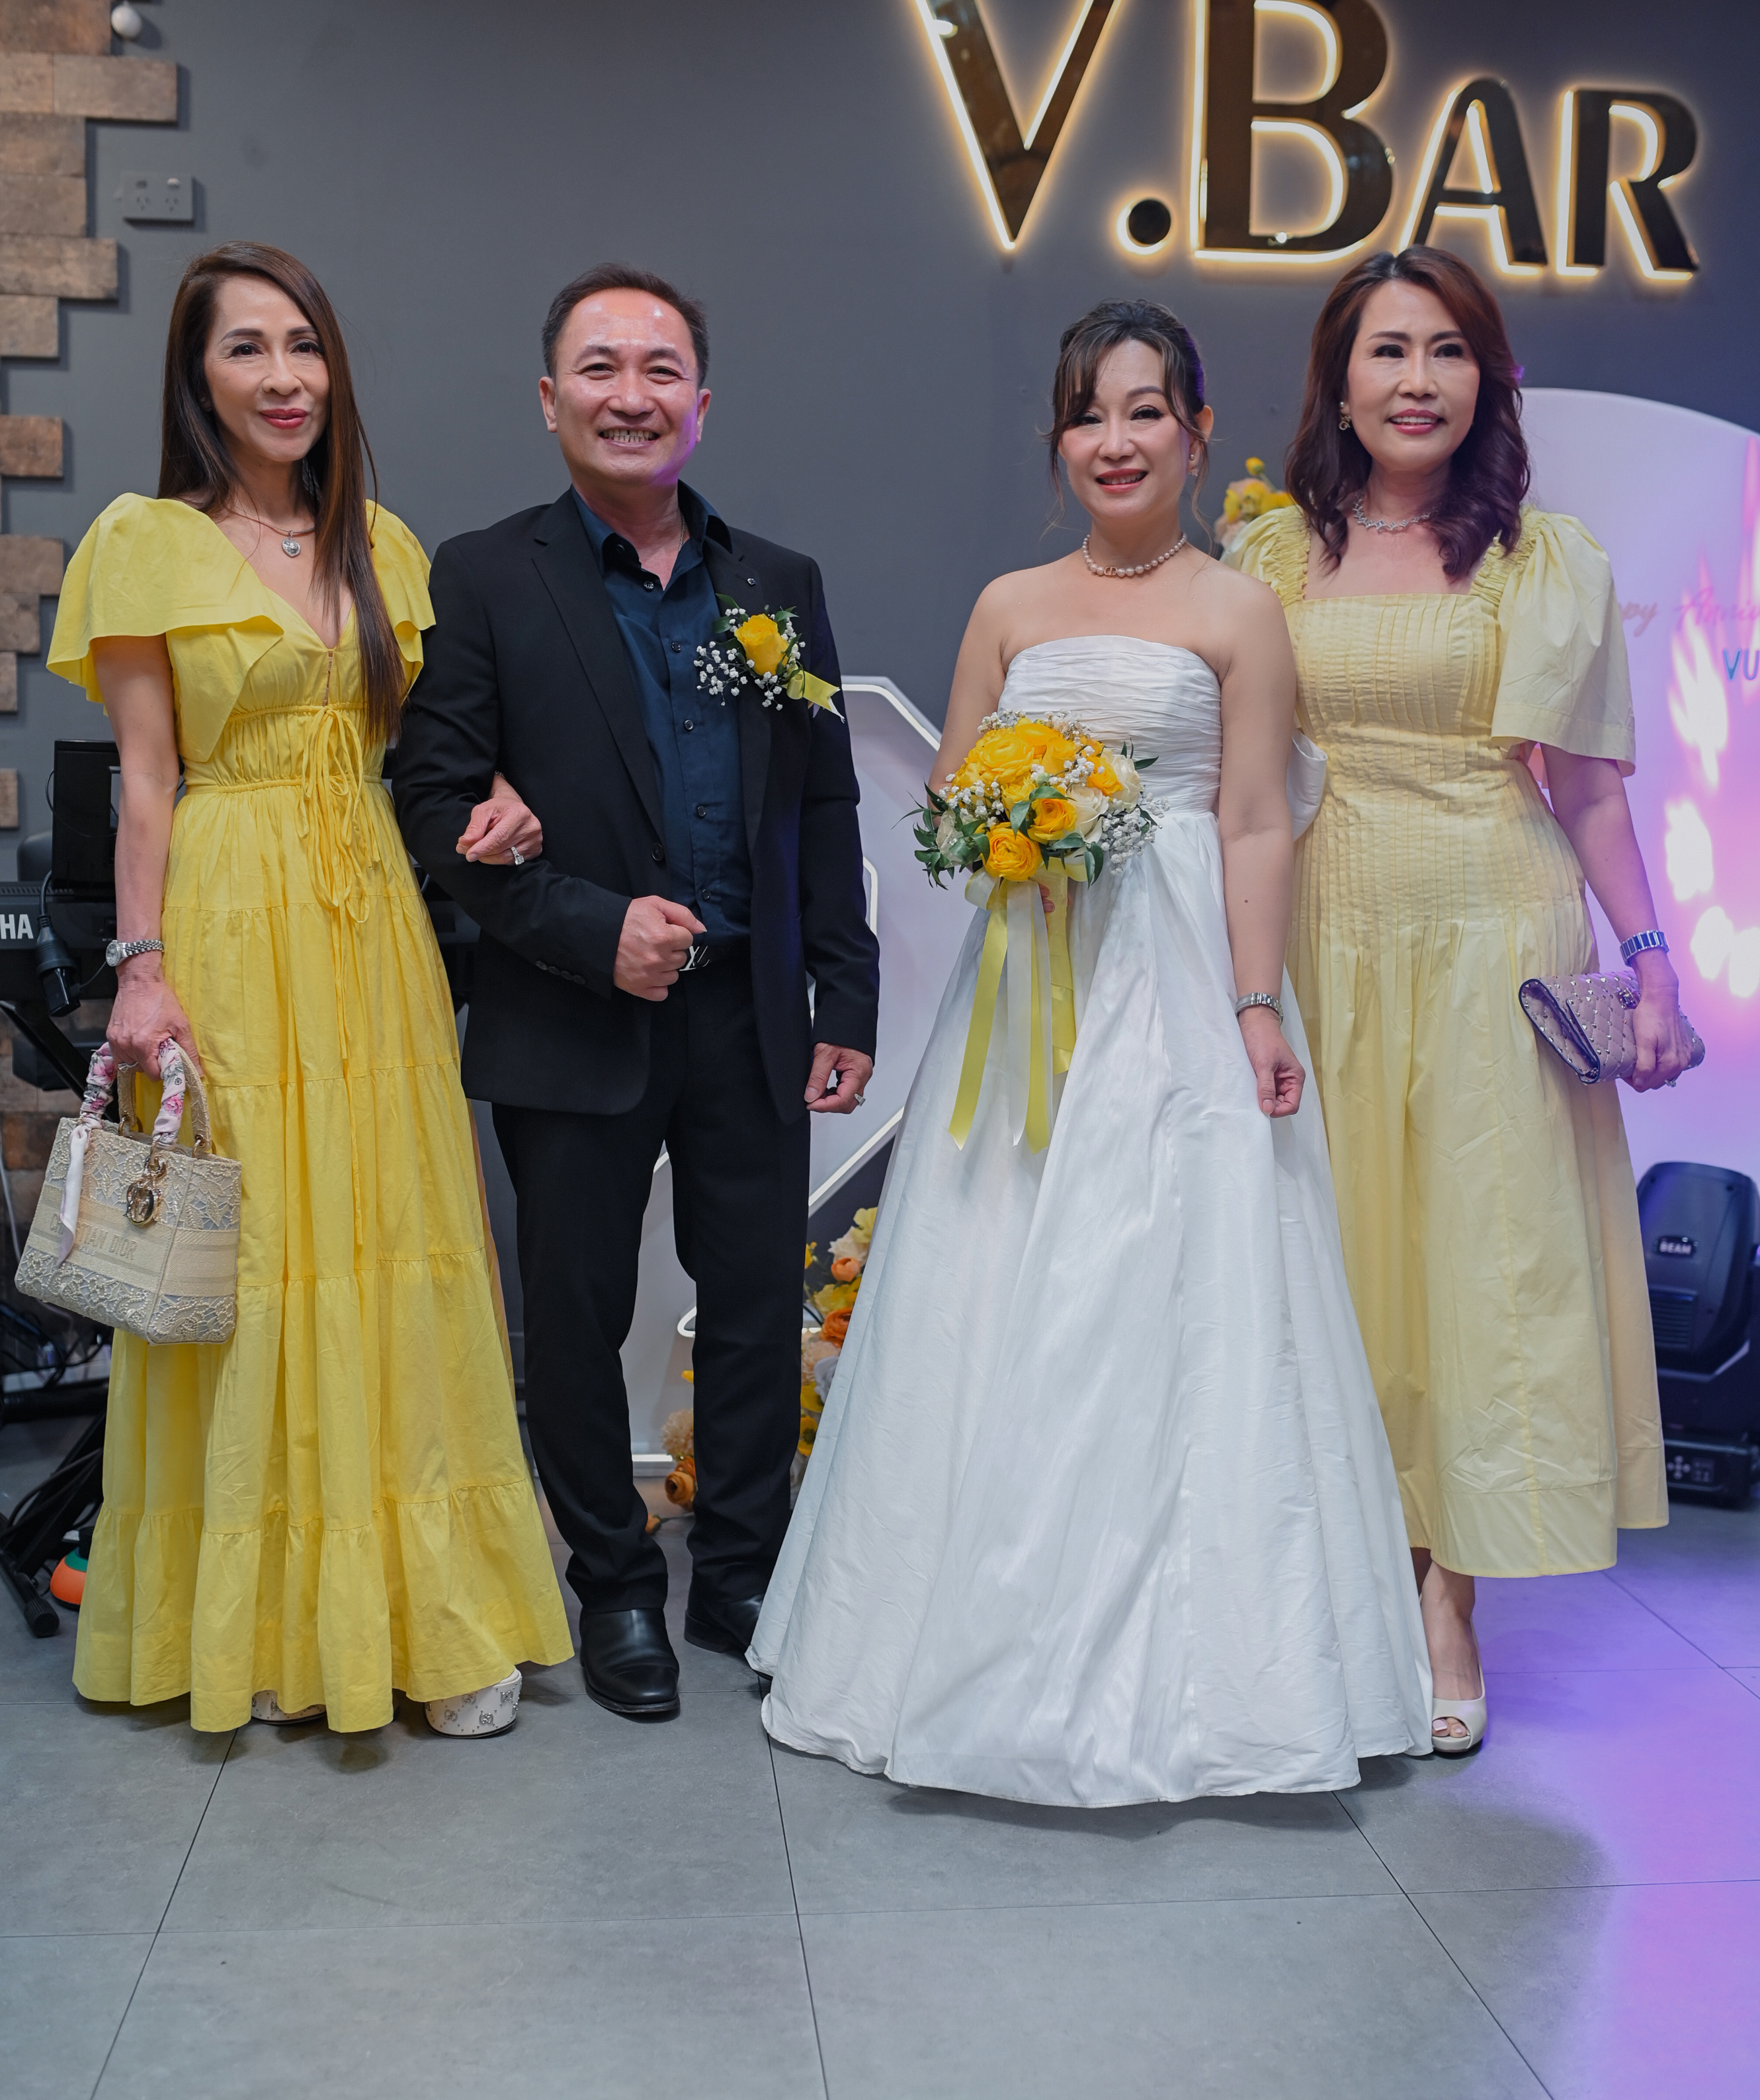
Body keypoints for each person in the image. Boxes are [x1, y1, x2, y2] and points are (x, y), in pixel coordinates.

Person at [749, 300, 1434, 1808]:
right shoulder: (1007, 603)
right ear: (1058, 441)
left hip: (1174, 973)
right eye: (1085, 415)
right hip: (1026, 982)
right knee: (993, 1267)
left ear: (1196, 431)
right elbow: (946, 796)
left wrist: (1253, 1006)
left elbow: (1251, 821)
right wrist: (1007, 824)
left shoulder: (1237, 609)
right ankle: (952, 1639)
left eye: (1143, 412)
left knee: (1175, 1278)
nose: (1113, 441)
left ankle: (1201, 1676)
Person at [46, 240, 573, 1736]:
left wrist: (499, 804)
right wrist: (140, 972)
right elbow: (147, 782)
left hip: (371, 919)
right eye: (247, 349)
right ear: (197, 377)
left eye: (304, 346)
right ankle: (271, 1630)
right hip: (226, 913)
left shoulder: (382, 547)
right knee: (257, 1260)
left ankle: (427, 1619)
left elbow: (433, 755)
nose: (284, 377)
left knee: (398, 1240)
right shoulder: (146, 539)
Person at [394, 265, 880, 1724]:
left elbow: (825, 801)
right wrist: (593, 929)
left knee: (753, 1307)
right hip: (570, 1010)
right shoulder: (485, 575)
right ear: (550, 400)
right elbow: (434, 805)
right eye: (599, 369)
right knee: (576, 1314)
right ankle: (611, 1581)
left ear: (700, 403)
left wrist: (844, 994)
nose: (630, 395)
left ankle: (737, 1569)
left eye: (659, 369)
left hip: (749, 1010)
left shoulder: (777, 581)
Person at [1228, 246, 1691, 1755]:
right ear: (1337, 380)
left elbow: (1590, 792)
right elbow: (1235, 789)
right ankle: (1342, 1572)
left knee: (1484, 1267)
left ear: (1487, 380)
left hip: (1496, 927)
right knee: (1340, 1260)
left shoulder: (1542, 558)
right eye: (1385, 350)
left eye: (1445, 351)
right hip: (1322, 930)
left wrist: (1651, 962)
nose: (1414, 380)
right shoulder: (1266, 556)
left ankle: (1445, 1599)